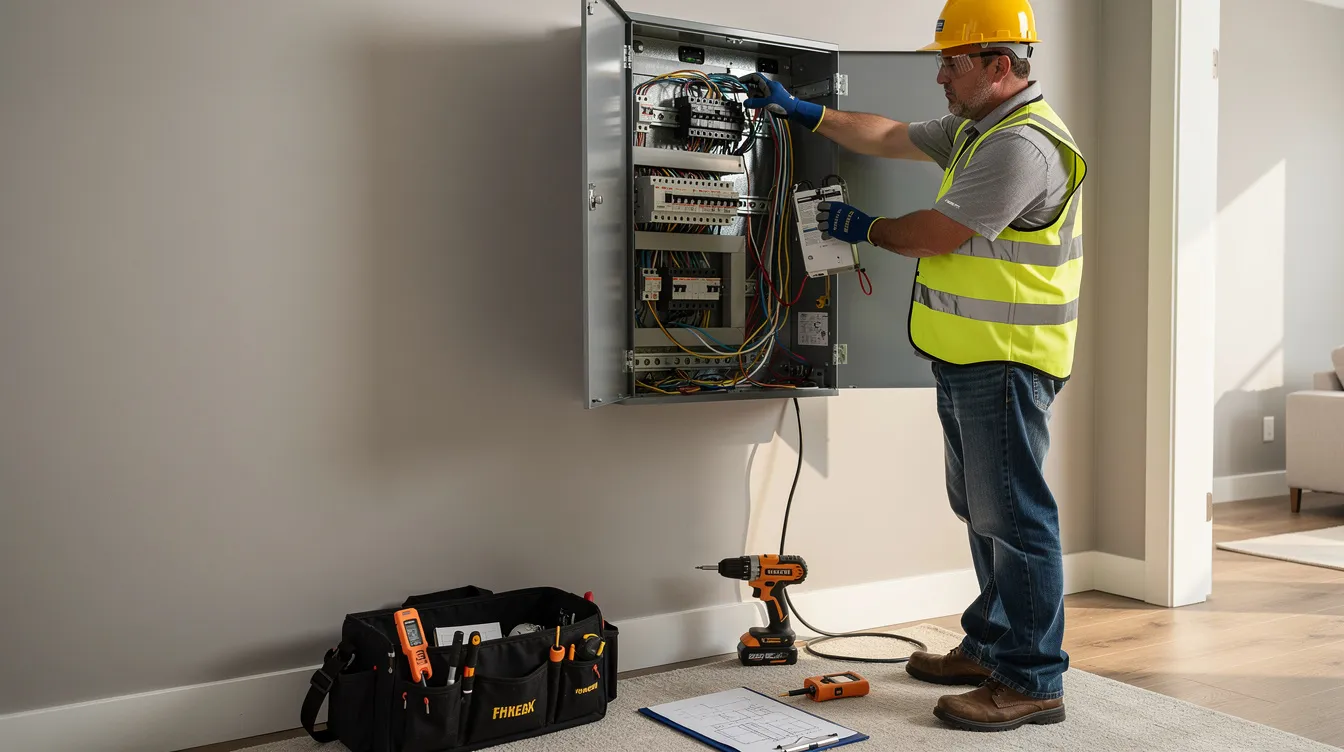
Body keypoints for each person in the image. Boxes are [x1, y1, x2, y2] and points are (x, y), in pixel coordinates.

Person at [742, 0, 1086, 733]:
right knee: (985, 513)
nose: (939, 75)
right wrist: (805, 112)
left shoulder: (1020, 146)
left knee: (1016, 520)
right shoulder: (977, 128)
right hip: (970, 357)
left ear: (999, 64)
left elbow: (937, 233)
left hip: (1007, 360)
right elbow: (892, 135)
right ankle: (993, 646)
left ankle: (1032, 680)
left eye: (952, 62)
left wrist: (866, 228)